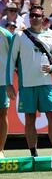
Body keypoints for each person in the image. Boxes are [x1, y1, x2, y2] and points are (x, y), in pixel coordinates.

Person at [6, 5, 52, 157]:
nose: (34, 18)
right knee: (29, 118)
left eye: (37, 15)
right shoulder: (19, 36)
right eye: (32, 15)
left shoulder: (51, 36)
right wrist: (9, 83)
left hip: (46, 84)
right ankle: (33, 153)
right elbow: (11, 61)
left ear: (43, 18)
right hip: (27, 85)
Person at [0, 26, 13, 158]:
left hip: (2, 81)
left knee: (2, 113)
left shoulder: (6, 34)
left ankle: (0, 150)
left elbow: (14, 55)